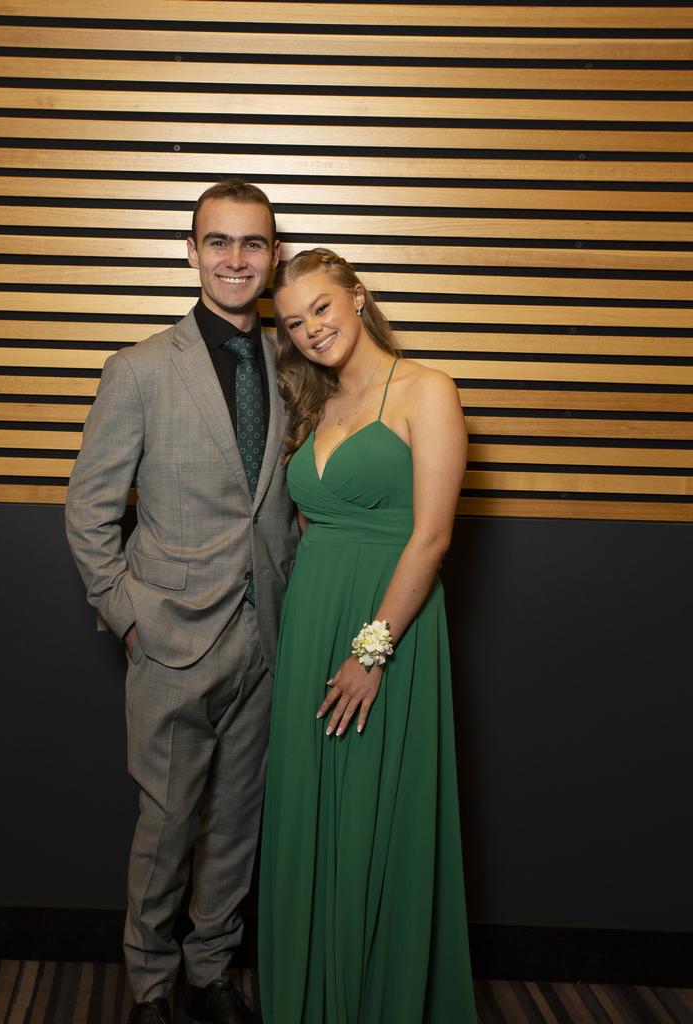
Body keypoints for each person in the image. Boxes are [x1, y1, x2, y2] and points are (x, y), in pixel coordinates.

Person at [65, 179, 297, 1024]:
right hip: (169, 640)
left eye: (254, 244)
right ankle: (151, 984)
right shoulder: (138, 369)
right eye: (220, 242)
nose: (236, 258)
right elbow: (89, 509)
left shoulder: (297, 362)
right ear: (190, 251)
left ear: (273, 258)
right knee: (166, 830)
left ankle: (209, 971)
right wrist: (127, 616)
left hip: (270, 636)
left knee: (238, 823)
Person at [258, 248, 476, 1022]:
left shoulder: (427, 390)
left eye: (321, 307)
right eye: (293, 322)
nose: (312, 329)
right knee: (313, 817)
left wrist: (370, 651)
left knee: (373, 822)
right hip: (313, 623)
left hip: (389, 633)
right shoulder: (312, 405)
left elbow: (432, 537)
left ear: (357, 294)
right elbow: (314, 528)